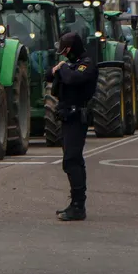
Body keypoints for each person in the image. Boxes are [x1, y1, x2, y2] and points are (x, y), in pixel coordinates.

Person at [45, 31, 98, 221]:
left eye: (66, 52)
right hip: (67, 116)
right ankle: (75, 203)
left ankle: (78, 206)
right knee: (70, 160)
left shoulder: (87, 63)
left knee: (72, 159)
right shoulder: (70, 65)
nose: (65, 56)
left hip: (77, 116)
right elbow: (49, 76)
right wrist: (57, 69)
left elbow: (73, 79)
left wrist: (63, 68)